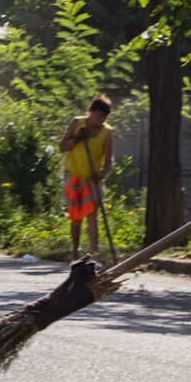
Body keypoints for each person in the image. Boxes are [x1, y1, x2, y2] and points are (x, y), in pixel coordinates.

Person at [58, 95, 114, 261]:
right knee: (76, 216)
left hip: (92, 179)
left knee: (92, 215)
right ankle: (75, 252)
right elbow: (61, 147)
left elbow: (109, 161)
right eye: (99, 115)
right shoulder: (77, 123)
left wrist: (101, 174)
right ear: (91, 112)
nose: (101, 119)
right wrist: (77, 138)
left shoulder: (107, 133)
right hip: (73, 176)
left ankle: (94, 255)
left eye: (104, 116)